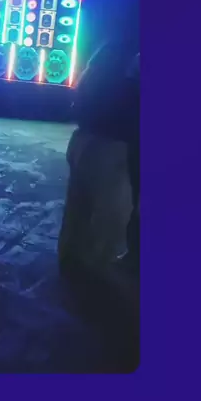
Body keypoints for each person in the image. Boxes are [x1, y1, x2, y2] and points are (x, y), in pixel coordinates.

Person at [58, 39, 139, 279]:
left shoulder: (103, 58)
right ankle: (93, 274)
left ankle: (71, 262)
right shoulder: (131, 63)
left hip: (84, 139)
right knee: (111, 217)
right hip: (110, 146)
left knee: (78, 208)